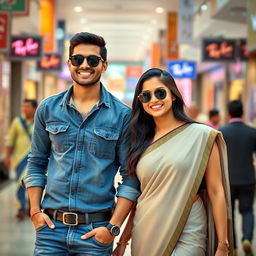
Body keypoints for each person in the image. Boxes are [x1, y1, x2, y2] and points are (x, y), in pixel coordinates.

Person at [23, 32, 140, 255]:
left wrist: (112, 228)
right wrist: (35, 211)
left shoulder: (123, 115)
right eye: (78, 59)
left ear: (103, 66)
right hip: (51, 231)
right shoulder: (47, 109)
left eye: (92, 60)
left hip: (96, 233)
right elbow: (36, 162)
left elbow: (130, 176)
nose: (84, 65)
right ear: (69, 63)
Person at [113, 68, 233, 256]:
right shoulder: (140, 140)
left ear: (174, 95)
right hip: (147, 227)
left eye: (160, 93)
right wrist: (122, 241)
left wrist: (222, 244)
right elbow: (141, 195)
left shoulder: (201, 136)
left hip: (188, 224)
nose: (153, 100)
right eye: (146, 96)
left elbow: (216, 191)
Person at [219, 100, 256, 256]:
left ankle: (232, 246)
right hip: (248, 178)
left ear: (228, 113)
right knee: (247, 210)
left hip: (228, 180)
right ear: (242, 113)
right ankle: (246, 239)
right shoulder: (252, 132)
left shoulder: (222, 132)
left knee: (230, 213)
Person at [4, 99, 37, 219]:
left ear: (34, 108)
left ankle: (31, 207)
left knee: (32, 183)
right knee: (20, 184)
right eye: (24, 107)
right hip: (19, 159)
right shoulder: (17, 122)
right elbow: (10, 140)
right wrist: (7, 157)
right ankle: (21, 207)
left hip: (34, 159)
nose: (25, 109)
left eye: (28, 107)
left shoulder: (39, 121)